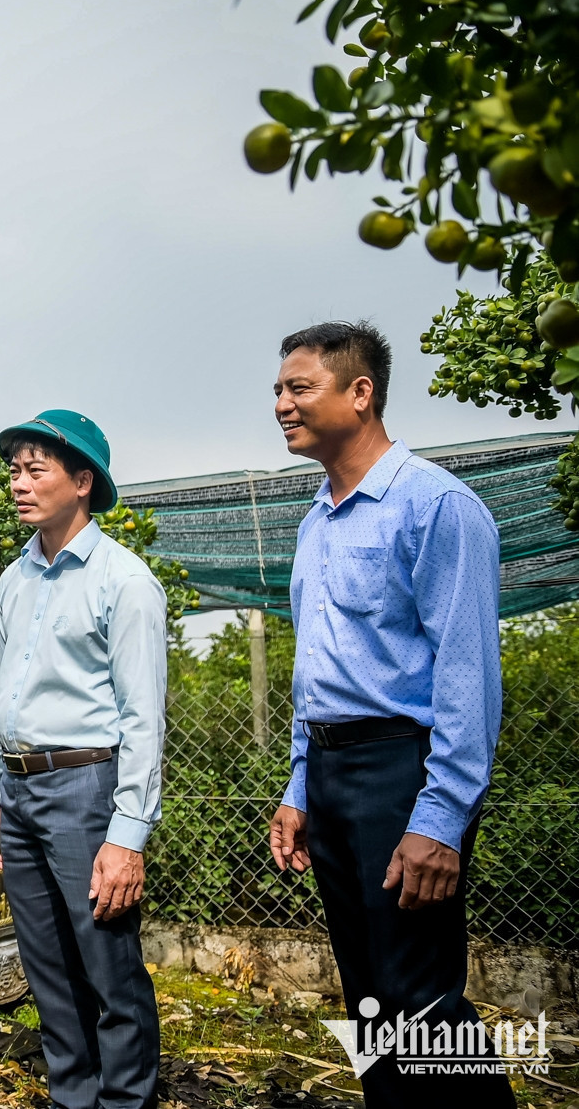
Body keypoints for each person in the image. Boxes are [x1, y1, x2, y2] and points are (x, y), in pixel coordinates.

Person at [266, 321, 513, 1109]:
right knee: (369, 996)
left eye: (298, 387)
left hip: (404, 770)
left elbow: (468, 679)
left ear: (360, 391)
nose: (281, 404)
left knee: (420, 998)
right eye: (277, 389)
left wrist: (440, 817)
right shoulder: (314, 523)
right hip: (334, 771)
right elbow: (320, 674)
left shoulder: (438, 506)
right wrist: (301, 787)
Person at [0, 410, 167, 1109]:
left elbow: (144, 719)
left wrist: (127, 835)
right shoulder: (16, 577)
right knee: (47, 968)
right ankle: (73, 1096)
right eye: (14, 469)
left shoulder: (125, 581)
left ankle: (126, 1100)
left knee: (109, 969)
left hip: (86, 785)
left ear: (82, 480)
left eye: (35, 469)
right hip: (19, 788)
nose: (18, 483)